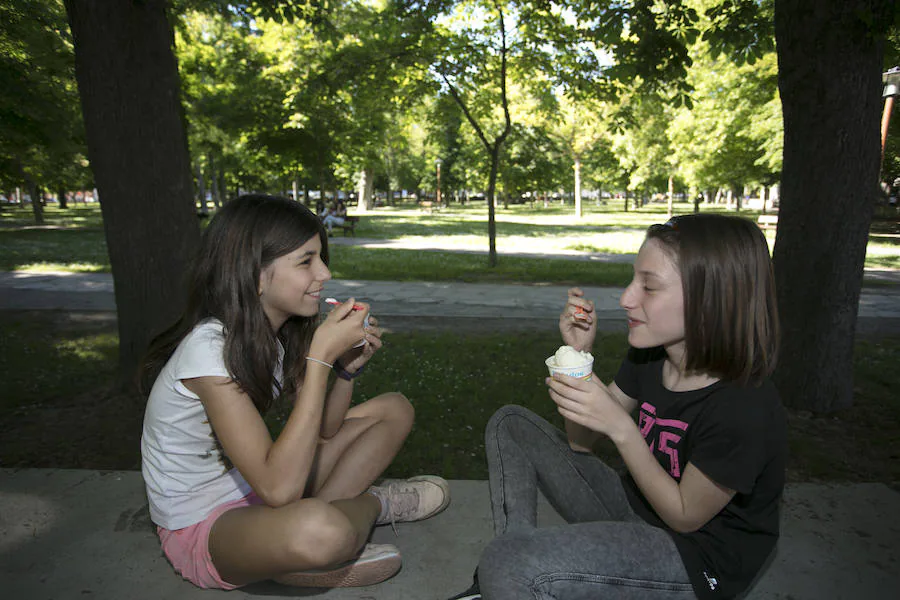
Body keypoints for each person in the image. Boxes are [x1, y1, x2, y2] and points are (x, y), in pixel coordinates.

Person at [449, 214, 786, 600]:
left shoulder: (745, 404)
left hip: (694, 560)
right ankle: (510, 571)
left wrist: (624, 431)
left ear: (711, 301)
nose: (626, 298)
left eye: (649, 286)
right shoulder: (651, 358)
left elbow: (685, 516)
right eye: (632, 278)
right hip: (635, 509)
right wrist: (576, 358)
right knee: (510, 423)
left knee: (508, 563)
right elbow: (581, 442)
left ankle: (511, 571)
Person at [140, 194, 449, 591]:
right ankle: (372, 506)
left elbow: (325, 430)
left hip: (260, 491)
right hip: (206, 524)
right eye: (306, 261)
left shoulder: (278, 335)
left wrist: (343, 372)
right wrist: (320, 358)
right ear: (255, 275)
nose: (324, 273)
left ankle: (291, 555)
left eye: (321, 257)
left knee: (394, 409)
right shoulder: (208, 350)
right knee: (321, 532)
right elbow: (280, 489)